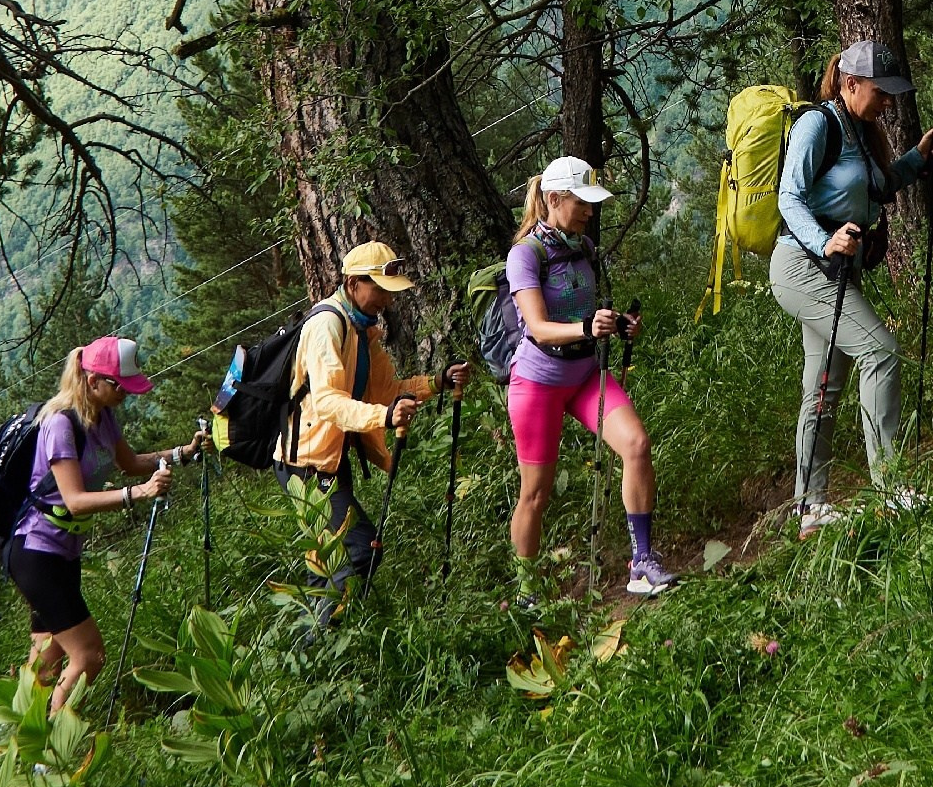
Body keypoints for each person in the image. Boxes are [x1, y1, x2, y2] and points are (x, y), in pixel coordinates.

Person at [769, 42, 933, 533]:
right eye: (880, 92)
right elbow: (790, 196)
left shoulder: (860, 132)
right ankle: (890, 489)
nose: (888, 102)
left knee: (823, 387)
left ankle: (809, 508)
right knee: (881, 352)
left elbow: (877, 187)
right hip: (801, 266)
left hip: (835, 272)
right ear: (850, 84)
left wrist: (917, 158)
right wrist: (824, 241)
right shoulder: (817, 125)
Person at [502, 159, 675, 596]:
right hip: (538, 382)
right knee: (536, 494)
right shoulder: (525, 254)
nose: (590, 212)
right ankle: (527, 594)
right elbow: (539, 327)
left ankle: (641, 563)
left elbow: (588, 313)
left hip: (584, 376)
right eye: (582, 203)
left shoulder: (585, 249)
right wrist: (585, 329)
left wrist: (620, 323)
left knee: (636, 445)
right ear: (555, 199)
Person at [276, 242, 470, 626]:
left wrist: (437, 381)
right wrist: (384, 416)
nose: (386, 299)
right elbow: (329, 401)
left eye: (389, 291)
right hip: (305, 463)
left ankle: (319, 646)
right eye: (379, 290)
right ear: (352, 283)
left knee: (326, 558)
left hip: (327, 459)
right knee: (360, 549)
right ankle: (332, 637)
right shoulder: (326, 327)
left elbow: (386, 390)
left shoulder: (362, 331)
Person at [6, 337, 200, 713]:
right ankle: (52, 753)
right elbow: (75, 500)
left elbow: (129, 462)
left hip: (63, 552)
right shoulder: (60, 424)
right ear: (93, 381)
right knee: (90, 655)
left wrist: (182, 453)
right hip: (36, 552)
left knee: (48, 655)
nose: (126, 394)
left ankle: (25, 741)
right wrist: (138, 494)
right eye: (120, 386)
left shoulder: (103, 416)